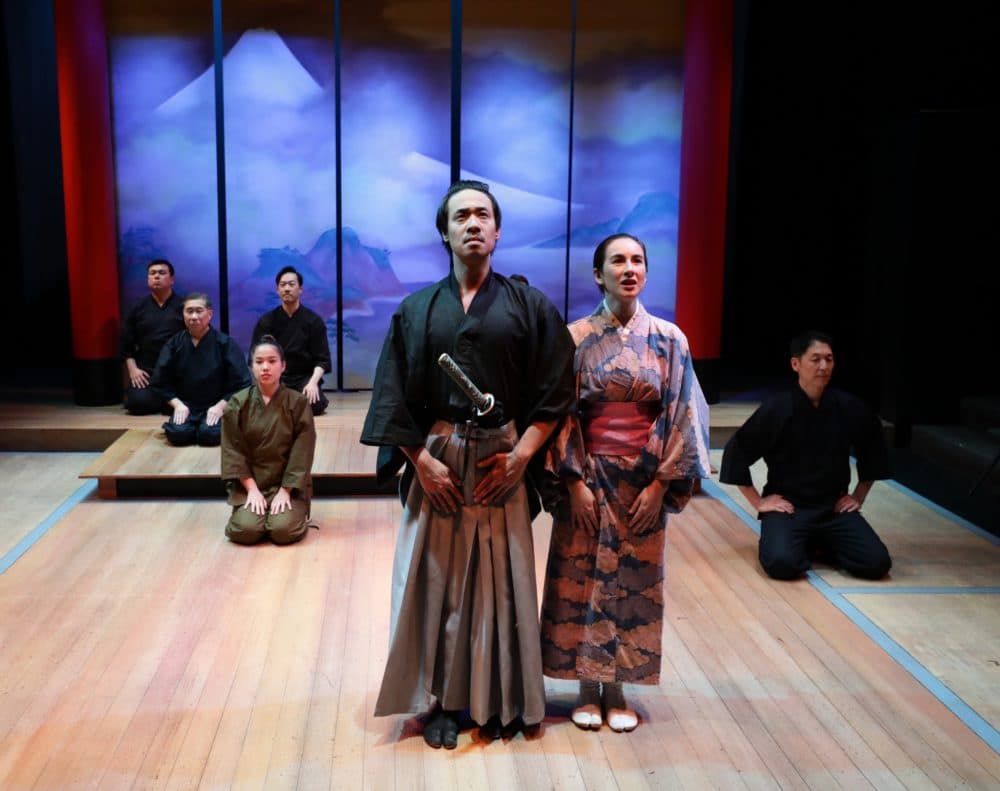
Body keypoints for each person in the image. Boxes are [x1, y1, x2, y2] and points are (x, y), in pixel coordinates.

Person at [360, 180, 576, 749]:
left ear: (498, 231)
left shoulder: (529, 306)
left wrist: (523, 458)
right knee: (435, 585)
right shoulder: (416, 310)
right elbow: (393, 395)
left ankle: (499, 699)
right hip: (440, 461)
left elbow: (556, 389)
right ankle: (441, 701)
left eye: (483, 214)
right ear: (446, 233)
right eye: (461, 216)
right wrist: (421, 465)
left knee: (501, 584)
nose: (473, 223)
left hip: (503, 460)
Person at [539, 233, 712, 733]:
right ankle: (586, 687)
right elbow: (560, 414)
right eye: (617, 261)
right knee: (581, 577)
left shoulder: (670, 339)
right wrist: (572, 481)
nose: (629, 268)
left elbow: (683, 412)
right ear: (599, 274)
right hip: (588, 476)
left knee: (634, 583)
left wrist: (661, 485)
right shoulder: (574, 339)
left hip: (643, 481)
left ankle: (618, 687)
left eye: (637, 260)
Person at [719, 329, 893, 581]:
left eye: (829, 359)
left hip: (833, 507)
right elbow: (738, 451)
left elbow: (873, 448)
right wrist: (760, 503)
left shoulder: (849, 407)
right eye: (815, 359)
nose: (823, 366)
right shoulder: (777, 408)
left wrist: (858, 495)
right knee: (782, 564)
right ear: (795, 364)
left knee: (876, 563)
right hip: (789, 508)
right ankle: (803, 541)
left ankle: (817, 541)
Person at [221, 334, 315, 545]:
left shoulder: (297, 403)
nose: (265, 367)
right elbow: (232, 451)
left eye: (272, 361)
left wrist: (285, 490)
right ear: (251, 366)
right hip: (251, 483)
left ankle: (285, 515)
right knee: (244, 531)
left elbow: (303, 451)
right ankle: (258, 515)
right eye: (259, 362)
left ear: (283, 366)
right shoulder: (238, 403)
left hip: (288, 484)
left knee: (282, 531)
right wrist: (252, 490)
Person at [148, 293, 251, 447]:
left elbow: (243, 383)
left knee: (209, 435)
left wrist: (220, 407)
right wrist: (177, 405)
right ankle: (190, 425)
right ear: (183, 315)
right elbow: (159, 381)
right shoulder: (174, 344)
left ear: (209, 314)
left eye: (199, 311)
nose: (194, 316)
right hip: (185, 406)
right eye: (189, 311)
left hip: (216, 405)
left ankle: (213, 425)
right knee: (178, 435)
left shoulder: (225, 343)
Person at [251, 265, 332, 416]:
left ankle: (287, 404)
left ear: (300, 289)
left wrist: (313, 383)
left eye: (291, 284)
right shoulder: (267, 321)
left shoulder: (313, 321)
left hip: (304, 378)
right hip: (276, 377)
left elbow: (323, 360)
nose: (287, 289)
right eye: (282, 285)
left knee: (315, 404)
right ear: (277, 290)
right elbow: (255, 357)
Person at [119, 259, 185, 415]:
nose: (157, 277)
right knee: (136, 403)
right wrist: (133, 369)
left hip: (177, 369)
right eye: (152, 273)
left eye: (162, 273)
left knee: (190, 401)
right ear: (148, 279)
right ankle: (163, 400)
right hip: (147, 369)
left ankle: (165, 400)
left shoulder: (184, 306)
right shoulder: (137, 308)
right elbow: (126, 343)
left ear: (172, 279)